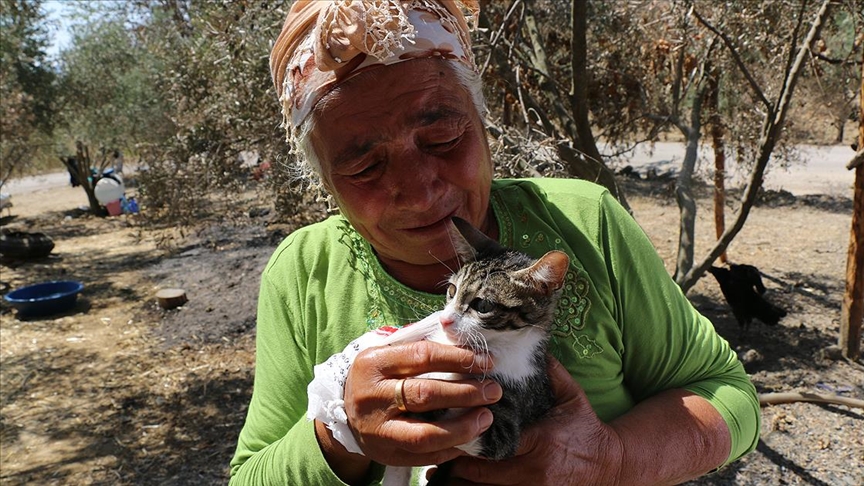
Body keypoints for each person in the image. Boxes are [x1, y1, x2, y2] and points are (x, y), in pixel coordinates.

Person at [229, 1, 761, 484]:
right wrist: (337, 433)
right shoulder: (301, 274)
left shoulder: (586, 222)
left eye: (443, 138)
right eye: (364, 166)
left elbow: (731, 398)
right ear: (324, 181)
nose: (419, 191)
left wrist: (613, 459)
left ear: (483, 123)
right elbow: (250, 476)